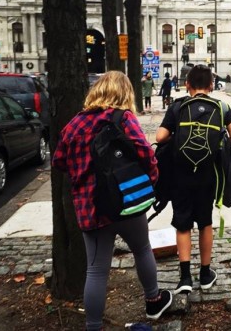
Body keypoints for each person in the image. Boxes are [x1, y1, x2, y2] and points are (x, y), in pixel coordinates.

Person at [52, 71, 172, 330]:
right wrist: (150, 182)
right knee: (142, 249)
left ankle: (93, 325)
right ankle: (153, 300)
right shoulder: (123, 118)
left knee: (96, 270)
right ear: (124, 93)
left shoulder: (73, 125)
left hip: (90, 208)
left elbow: (59, 162)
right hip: (127, 200)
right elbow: (145, 154)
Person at [155, 64, 231, 294]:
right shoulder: (222, 108)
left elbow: (160, 136)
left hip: (180, 175)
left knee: (182, 224)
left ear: (187, 84)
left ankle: (185, 277)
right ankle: (205, 273)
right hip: (208, 176)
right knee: (205, 223)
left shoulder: (178, 107)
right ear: (212, 86)